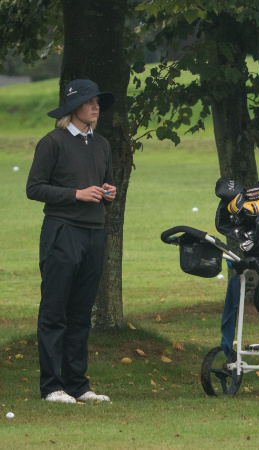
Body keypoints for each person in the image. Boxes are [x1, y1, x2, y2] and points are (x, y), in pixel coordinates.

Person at [26, 79, 117, 404]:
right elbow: (34, 188)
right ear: (74, 107)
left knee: (80, 313)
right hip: (62, 233)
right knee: (55, 311)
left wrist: (108, 193)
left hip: (94, 234)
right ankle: (52, 386)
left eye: (97, 102)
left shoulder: (102, 144)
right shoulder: (52, 142)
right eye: (90, 102)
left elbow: (102, 183)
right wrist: (76, 194)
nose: (96, 107)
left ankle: (78, 385)